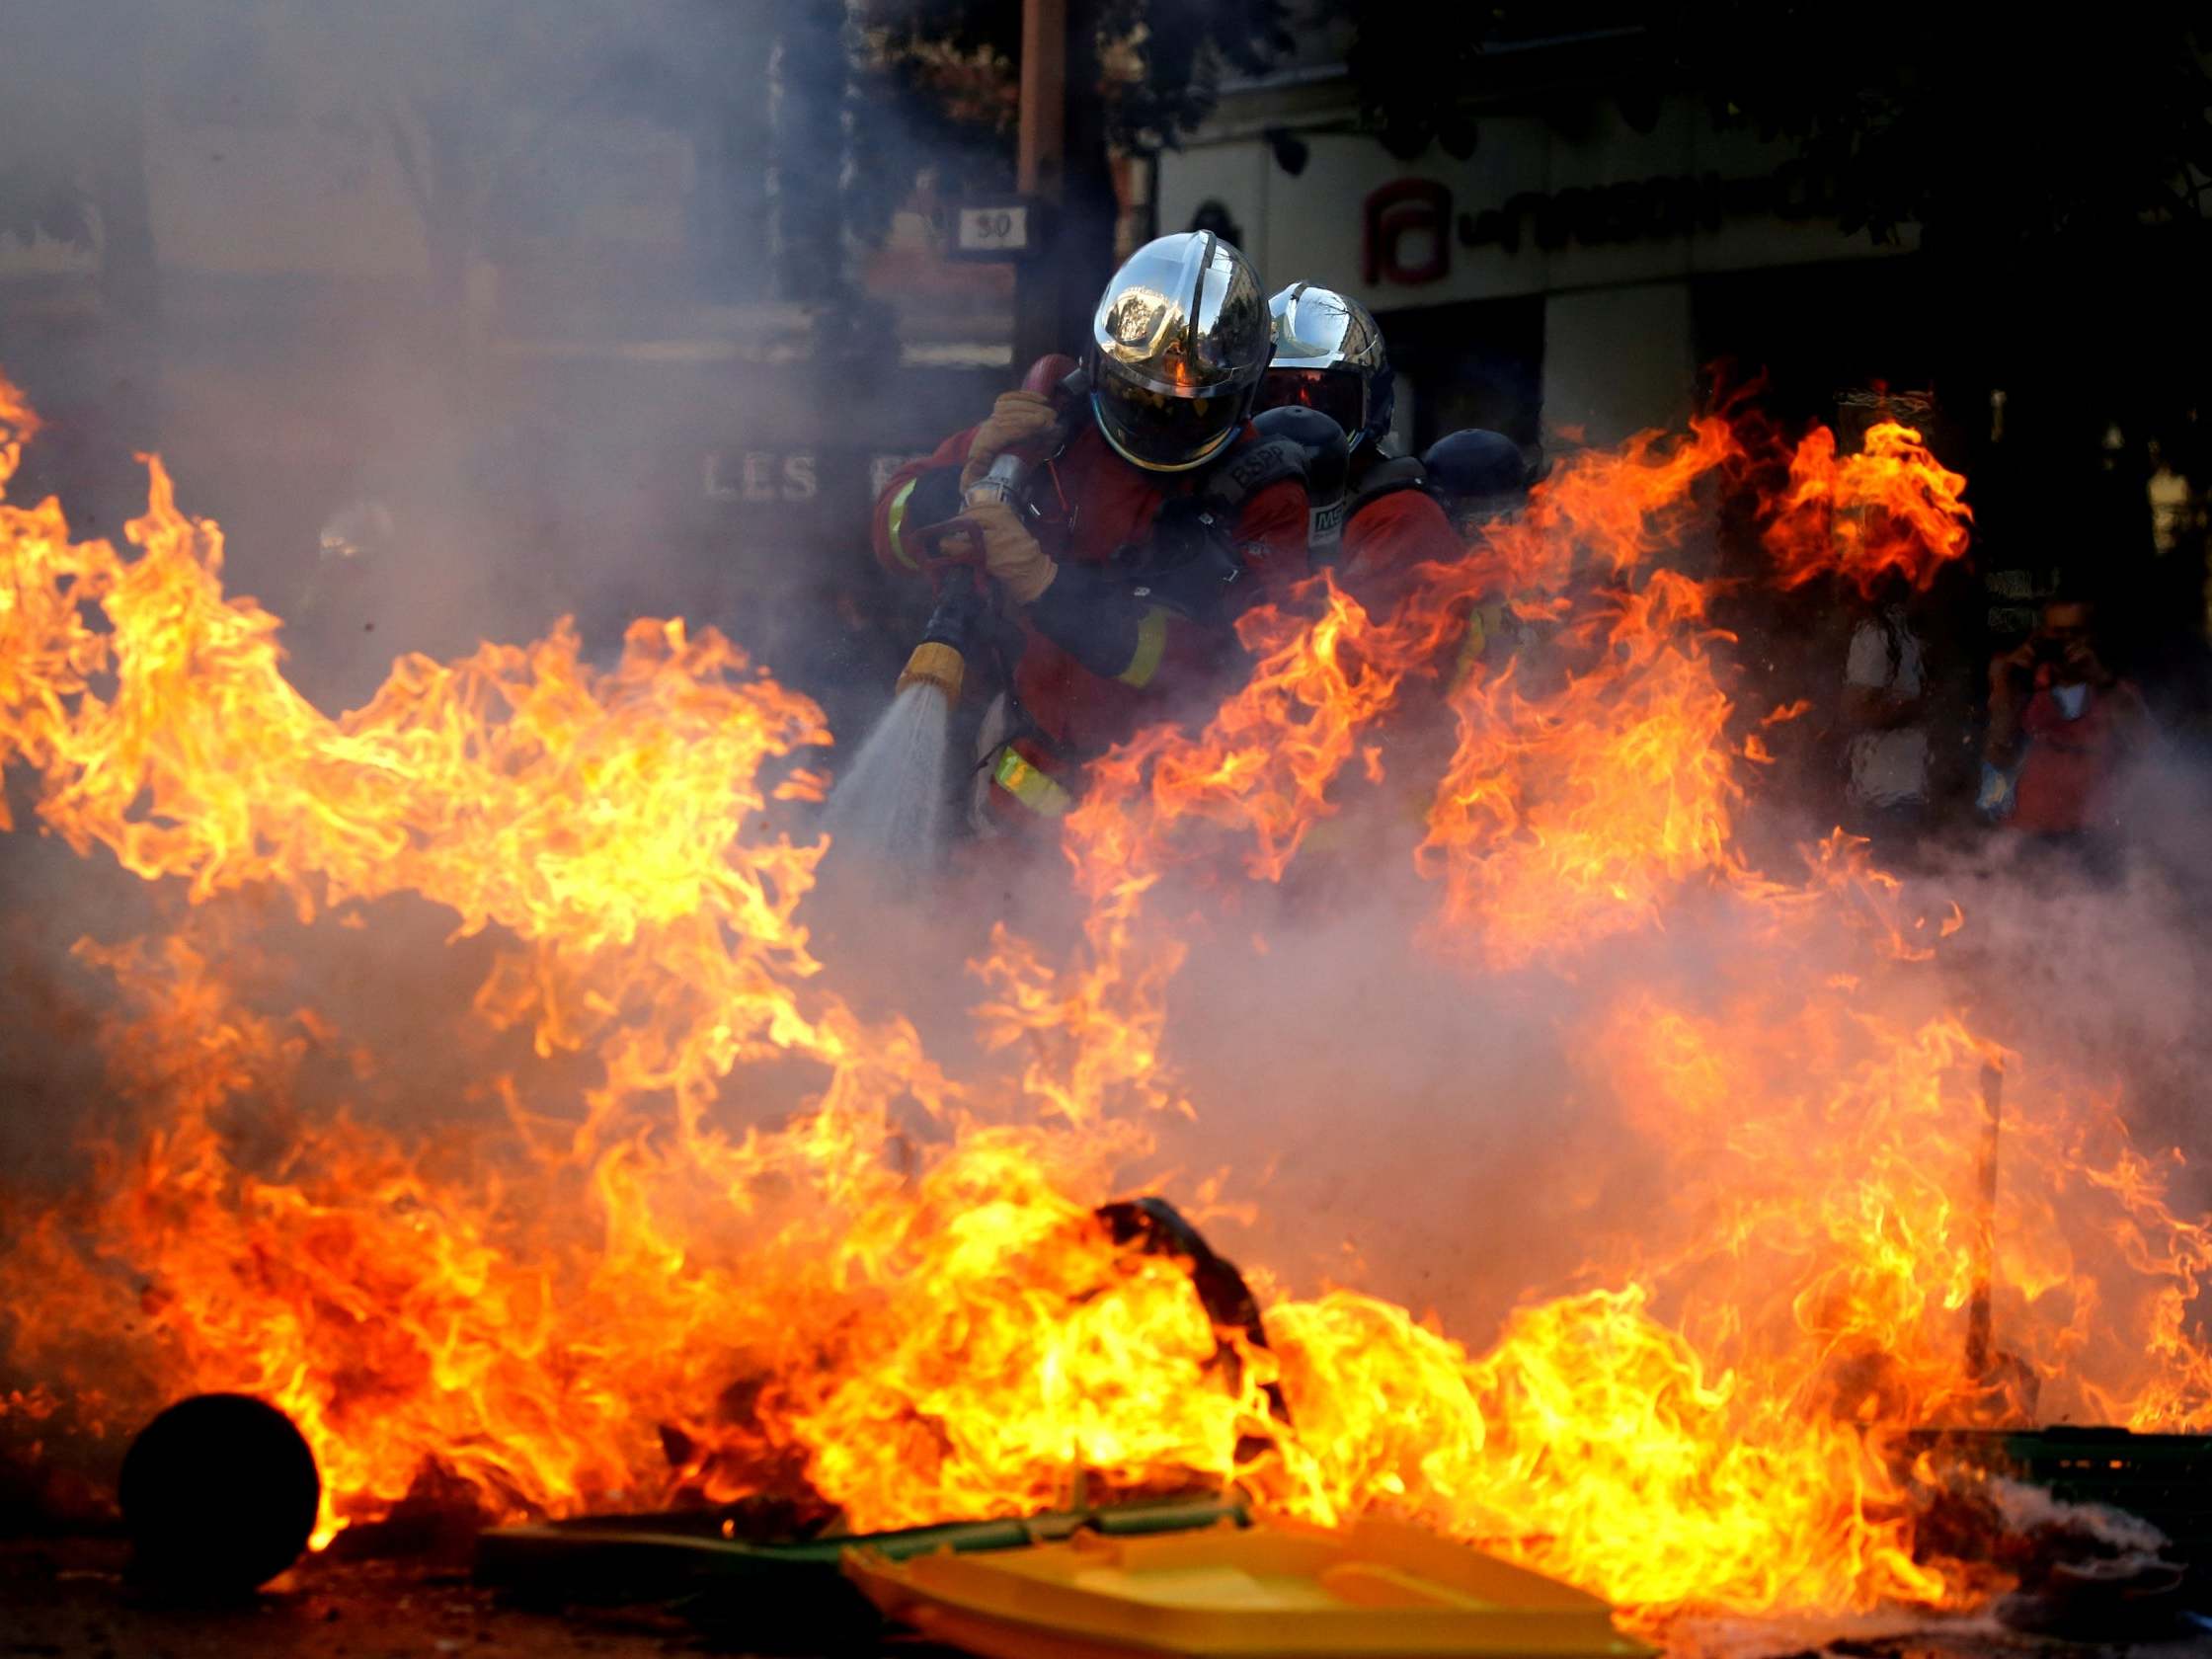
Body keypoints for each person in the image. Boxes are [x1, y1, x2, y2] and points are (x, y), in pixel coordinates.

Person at [870, 232, 1340, 825]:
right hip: (1020, 806)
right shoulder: (1055, 430)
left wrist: (1046, 586)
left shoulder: (1262, 493)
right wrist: (961, 484)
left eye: (1190, 406)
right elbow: (887, 531)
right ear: (1100, 366)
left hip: (1168, 832)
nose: (1158, 420)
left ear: (1241, 396)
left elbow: (1222, 665)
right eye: (1138, 396)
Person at [1253, 283, 1463, 591]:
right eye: (1272, 399)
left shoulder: (1402, 516)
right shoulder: (1229, 497)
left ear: (1373, 406)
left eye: (1320, 398)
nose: (1295, 422)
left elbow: (1352, 631)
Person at [1982, 594, 2152, 870]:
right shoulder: (2021, 683)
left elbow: (2150, 748)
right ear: (2041, 635)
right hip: (2031, 832)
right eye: (2057, 633)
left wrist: (2102, 680)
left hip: (2096, 834)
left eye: (2076, 632)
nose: (2066, 641)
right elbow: (1996, 753)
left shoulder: (2113, 689)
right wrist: (2008, 683)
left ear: (2092, 635)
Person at [1840, 576, 1936, 849]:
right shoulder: (1886, 634)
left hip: (1897, 787)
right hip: (1890, 787)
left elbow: (1856, 711)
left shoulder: (1887, 634)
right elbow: (1857, 710)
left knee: (1892, 877)